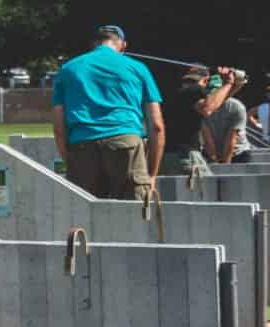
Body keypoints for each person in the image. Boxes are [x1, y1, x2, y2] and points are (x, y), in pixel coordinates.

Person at [50, 24, 163, 201]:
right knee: (133, 216)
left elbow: (58, 128)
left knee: (85, 217)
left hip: (82, 146)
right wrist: (152, 174)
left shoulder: (68, 70)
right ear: (124, 45)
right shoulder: (138, 68)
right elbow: (156, 126)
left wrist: (71, 161)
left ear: (94, 44)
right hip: (126, 143)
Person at [157, 66, 223, 181]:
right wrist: (224, 84)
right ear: (205, 80)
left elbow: (219, 100)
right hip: (186, 154)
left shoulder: (175, 93)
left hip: (167, 155)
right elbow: (208, 108)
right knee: (208, 190)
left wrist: (232, 86)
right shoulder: (195, 90)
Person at [203, 69, 253, 166]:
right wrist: (214, 161)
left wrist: (225, 166)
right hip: (214, 150)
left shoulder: (237, 107)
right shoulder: (203, 107)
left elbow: (231, 138)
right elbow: (207, 139)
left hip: (238, 152)